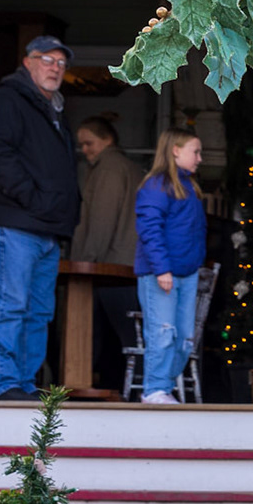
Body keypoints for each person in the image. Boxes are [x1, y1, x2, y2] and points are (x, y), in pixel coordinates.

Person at [0, 35, 83, 400]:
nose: (55, 68)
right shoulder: (7, 98)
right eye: (47, 60)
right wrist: (34, 200)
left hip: (46, 227)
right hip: (16, 222)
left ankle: (22, 385)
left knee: (38, 312)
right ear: (28, 62)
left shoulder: (52, 108)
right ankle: (2, 385)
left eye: (61, 63)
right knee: (11, 305)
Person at [132, 128, 207, 406]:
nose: (199, 158)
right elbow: (149, 229)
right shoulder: (156, 185)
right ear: (175, 150)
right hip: (162, 274)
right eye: (195, 151)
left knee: (184, 339)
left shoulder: (188, 186)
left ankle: (162, 387)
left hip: (186, 273)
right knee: (162, 332)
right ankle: (154, 390)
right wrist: (162, 269)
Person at [71, 114, 143, 266]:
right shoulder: (127, 166)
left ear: (108, 140)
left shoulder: (109, 169)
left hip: (110, 264)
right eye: (81, 145)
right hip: (128, 260)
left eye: (89, 143)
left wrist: (88, 261)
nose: (84, 150)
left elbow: (103, 219)